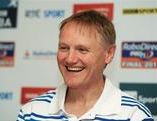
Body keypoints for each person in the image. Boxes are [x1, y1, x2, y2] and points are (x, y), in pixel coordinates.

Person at [17, 10, 153, 121]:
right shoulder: (31, 112)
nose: (70, 59)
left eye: (82, 49)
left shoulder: (134, 115)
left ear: (109, 54)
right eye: (64, 48)